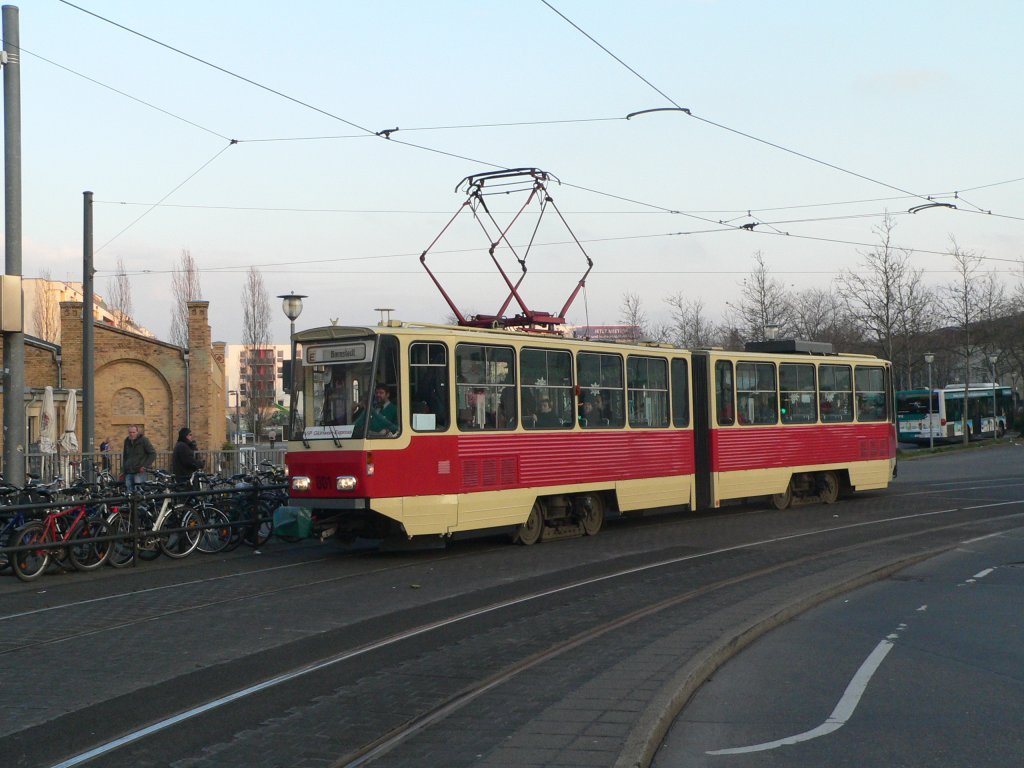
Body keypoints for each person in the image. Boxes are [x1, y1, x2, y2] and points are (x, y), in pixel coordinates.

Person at [122, 425, 156, 493]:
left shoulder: (144, 440)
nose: (132, 434)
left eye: (133, 432)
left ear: (137, 432)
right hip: (129, 471)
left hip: (139, 471)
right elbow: (125, 456)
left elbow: (152, 453)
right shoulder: (127, 441)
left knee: (139, 492)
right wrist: (124, 469)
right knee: (129, 492)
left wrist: (144, 466)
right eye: (130, 432)